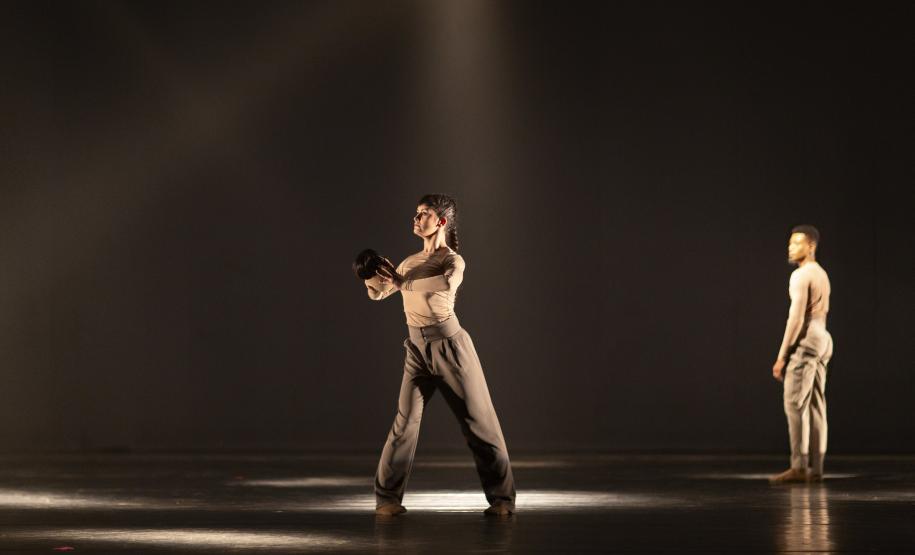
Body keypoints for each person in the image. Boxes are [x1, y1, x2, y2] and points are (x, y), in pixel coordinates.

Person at [360, 194, 516, 516]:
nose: (416, 218)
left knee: (480, 423)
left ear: (441, 222)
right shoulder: (408, 263)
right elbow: (378, 293)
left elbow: (445, 285)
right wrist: (369, 272)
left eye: (424, 214)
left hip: (451, 347)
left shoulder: (452, 260)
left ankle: (502, 501)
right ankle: (387, 499)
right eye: (416, 213)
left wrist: (404, 282)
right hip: (416, 351)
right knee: (404, 423)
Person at [769, 225, 834, 484]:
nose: (790, 247)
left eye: (797, 243)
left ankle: (799, 466)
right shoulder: (822, 274)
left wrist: (782, 356)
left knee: (794, 403)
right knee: (817, 405)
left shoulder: (801, 275)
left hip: (807, 340)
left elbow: (795, 319)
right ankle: (816, 467)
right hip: (824, 338)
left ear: (811, 246)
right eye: (789, 243)